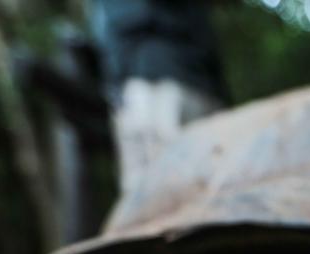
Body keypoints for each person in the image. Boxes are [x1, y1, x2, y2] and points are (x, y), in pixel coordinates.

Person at [88, 0, 228, 195]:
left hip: (153, 88)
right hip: (200, 86)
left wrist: (116, 81)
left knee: (158, 196)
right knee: (211, 192)